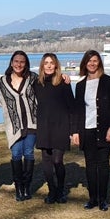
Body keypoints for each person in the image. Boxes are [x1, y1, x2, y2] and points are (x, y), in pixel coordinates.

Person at [72, 50, 110, 211]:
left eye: (95, 61)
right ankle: (92, 198)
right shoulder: (80, 86)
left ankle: (103, 199)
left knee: (103, 164)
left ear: (99, 62)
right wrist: (76, 131)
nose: (92, 64)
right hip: (87, 130)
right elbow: (77, 110)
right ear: (84, 64)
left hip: (104, 129)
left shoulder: (108, 81)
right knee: (90, 165)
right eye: (89, 61)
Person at [34, 53, 76, 204]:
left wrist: (73, 129)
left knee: (57, 160)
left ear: (56, 65)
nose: (49, 65)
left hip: (60, 126)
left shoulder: (63, 82)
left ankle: (61, 190)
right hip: (44, 126)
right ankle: (52, 190)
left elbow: (72, 107)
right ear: (42, 66)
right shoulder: (37, 83)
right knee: (46, 161)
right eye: (46, 63)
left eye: (52, 63)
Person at [0, 51, 38, 201]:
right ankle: (18, 188)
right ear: (11, 62)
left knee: (28, 153)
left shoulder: (33, 78)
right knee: (16, 154)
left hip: (32, 123)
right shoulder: (3, 81)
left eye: (22, 62)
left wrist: (64, 78)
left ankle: (27, 188)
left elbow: (48, 86)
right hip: (14, 126)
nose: (19, 64)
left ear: (26, 63)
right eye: (16, 61)